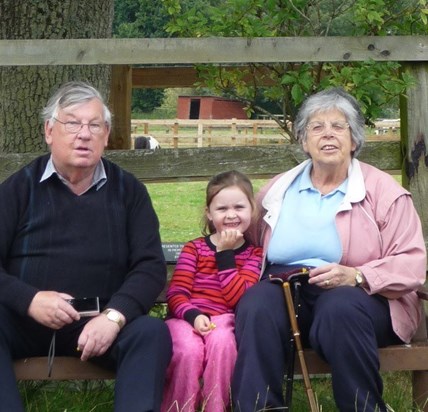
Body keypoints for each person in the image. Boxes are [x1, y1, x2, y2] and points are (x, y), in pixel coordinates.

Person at [231, 88, 427, 412]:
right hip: (286, 289)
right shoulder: (276, 190)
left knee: (341, 308)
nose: (328, 135)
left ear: (354, 140)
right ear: (303, 141)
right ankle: (258, 407)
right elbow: (247, 241)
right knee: (257, 304)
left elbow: (412, 264)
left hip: (361, 297)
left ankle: (362, 407)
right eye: (316, 127)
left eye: (339, 126)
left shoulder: (384, 192)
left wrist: (359, 275)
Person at [0, 81, 172, 412]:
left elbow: (149, 266)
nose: (84, 134)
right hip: (25, 319)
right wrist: (30, 300)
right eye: (73, 123)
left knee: (150, 333)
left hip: (98, 322)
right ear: (49, 131)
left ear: (106, 136)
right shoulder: (18, 189)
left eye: (94, 125)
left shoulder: (129, 192)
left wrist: (114, 316)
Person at [161, 170, 263, 412]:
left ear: (252, 210)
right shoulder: (194, 249)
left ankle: (216, 407)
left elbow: (237, 298)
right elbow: (176, 294)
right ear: (209, 213)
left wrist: (225, 254)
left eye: (239, 207)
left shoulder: (255, 255)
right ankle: (179, 407)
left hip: (226, 320)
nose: (231, 215)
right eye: (221, 209)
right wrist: (194, 316)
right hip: (185, 319)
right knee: (187, 349)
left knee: (224, 343)